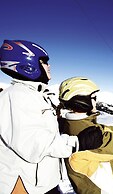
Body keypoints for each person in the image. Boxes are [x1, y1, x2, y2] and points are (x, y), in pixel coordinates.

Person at [0, 40, 91, 194]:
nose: (49, 66)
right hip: (25, 185)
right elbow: (34, 142)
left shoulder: (35, 95)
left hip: (42, 181)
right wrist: (78, 142)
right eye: (44, 62)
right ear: (27, 65)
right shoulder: (16, 96)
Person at [57, 76, 113, 194]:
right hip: (101, 190)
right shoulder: (85, 134)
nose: (96, 101)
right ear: (82, 101)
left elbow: (106, 130)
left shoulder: (78, 123)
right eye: (93, 98)